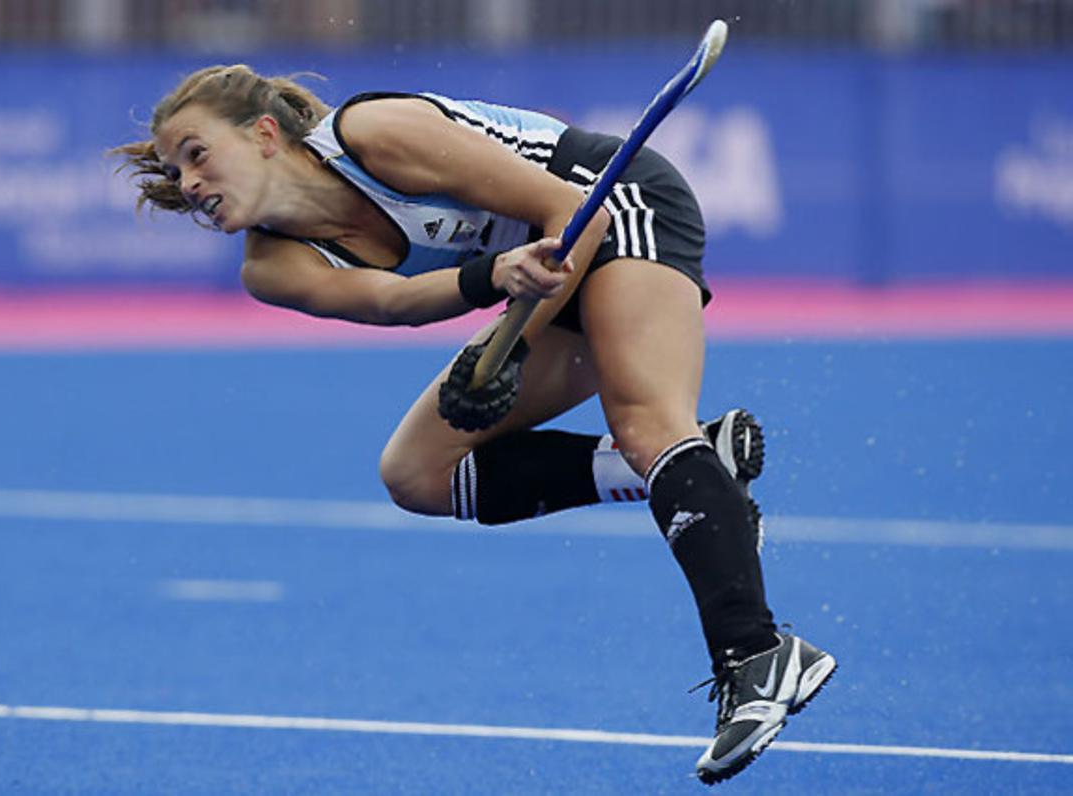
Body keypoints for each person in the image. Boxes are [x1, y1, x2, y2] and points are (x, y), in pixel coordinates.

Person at [112, 64, 835, 783]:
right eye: (176, 172)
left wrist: (510, 345)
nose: (189, 183)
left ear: (265, 134)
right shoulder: (271, 266)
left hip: (614, 205)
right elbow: (393, 303)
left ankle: (757, 655)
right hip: (535, 269)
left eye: (197, 152)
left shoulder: (373, 135)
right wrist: (496, 288)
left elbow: (572, 215)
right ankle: (697, 465)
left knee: (647, 421)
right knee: (417, 473)